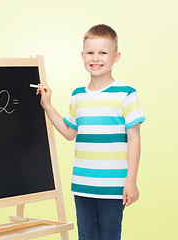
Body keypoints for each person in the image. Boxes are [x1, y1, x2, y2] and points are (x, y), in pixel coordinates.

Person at [36, 24, 145, 240]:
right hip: (82, 185)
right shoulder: (78, 95)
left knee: (109, 236)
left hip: (113, 186)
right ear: (82, 56)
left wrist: (130, 181)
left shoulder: (126, 94)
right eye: (90, 53)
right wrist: (47, 105)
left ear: (116, 57)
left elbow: (134, 139)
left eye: (103, 52)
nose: (96, 58)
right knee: (85, 236)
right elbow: (69, 133)